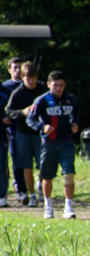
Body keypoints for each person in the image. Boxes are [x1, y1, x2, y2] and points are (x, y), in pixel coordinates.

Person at [26, 71, 79, 219]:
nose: (59, 88)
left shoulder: (70, 99)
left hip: (66, 142)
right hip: (49, 144)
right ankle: (48, 206)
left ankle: (69, 206)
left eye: (61, 85)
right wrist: (42, 127)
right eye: (55, 85)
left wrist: (75, 124)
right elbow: (30, 120)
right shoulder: (41, 101)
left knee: (69, 174)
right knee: (48, 177)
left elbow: (76, 115)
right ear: (49, 84)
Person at [5, 61, 47, 207]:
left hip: (40, 133)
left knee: (43, 165)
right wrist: (23, 112)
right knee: (26, 166)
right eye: (28, 78)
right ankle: (32, 195)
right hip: (23, 133)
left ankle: (40, 186)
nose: (31, 81)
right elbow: (9, 111)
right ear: (23, 78)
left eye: (33, 78)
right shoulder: (18, 93)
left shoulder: (42, 90)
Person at [2, 57, 29, 202]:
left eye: (20, 67)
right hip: (6, 128)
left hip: (21, 129)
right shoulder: (6, 87)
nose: (17, 71)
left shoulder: (28, 87)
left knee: (19, 160)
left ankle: (21, 187)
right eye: (14, 68)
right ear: (9, 70)